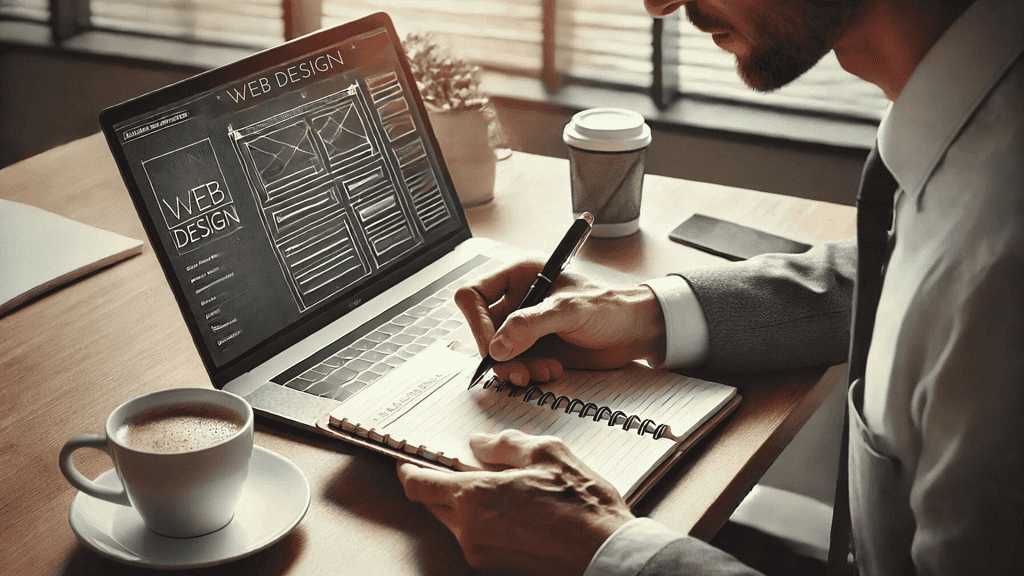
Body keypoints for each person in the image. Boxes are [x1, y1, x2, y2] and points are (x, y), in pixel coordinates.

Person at [397, 0, 1024, 574]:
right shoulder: (968, 128)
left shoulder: (1000, 253)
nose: (658, 5)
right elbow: (887, 271)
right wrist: (646, 314)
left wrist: (609, 550)